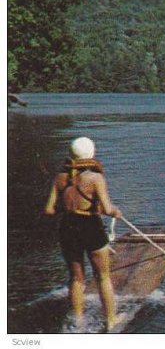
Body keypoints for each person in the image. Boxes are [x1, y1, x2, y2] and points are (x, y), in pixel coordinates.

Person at [44, 137, 123, 331]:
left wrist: (69, 205)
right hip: (90, 226)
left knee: (76, 277)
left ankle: (78, 321)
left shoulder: (59, 178)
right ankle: (111, 320)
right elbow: (106, 208)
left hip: (67, 228)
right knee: (103, 276)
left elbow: (49, 210)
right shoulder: (95, 178)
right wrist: (115, 211)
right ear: (91, 154)